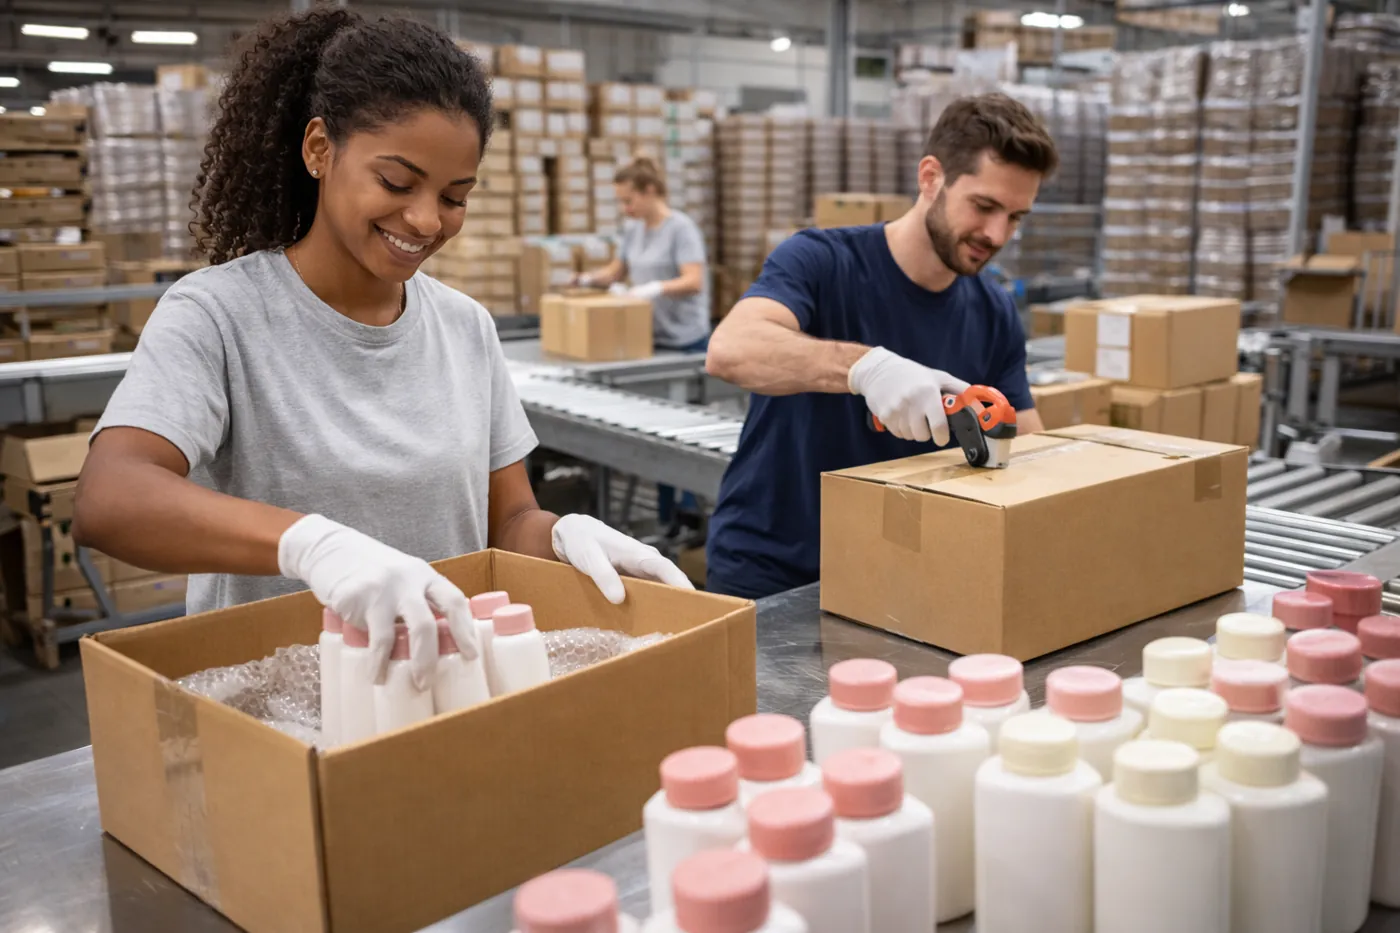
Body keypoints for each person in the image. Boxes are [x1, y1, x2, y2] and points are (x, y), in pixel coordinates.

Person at [70, 7, 690, 690]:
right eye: (397, 182)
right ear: (319, 150)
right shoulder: (218, 315)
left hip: (442, 694)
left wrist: (564, 536)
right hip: (279, 716)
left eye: (455, 196)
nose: (426, 219)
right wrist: (311, 544)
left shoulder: (465, 328)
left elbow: (507, 519)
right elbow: (111, 498)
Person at [703, 93, 1055, 600]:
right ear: (931, 177)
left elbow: (1024, 442)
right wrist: (866, 367)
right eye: (984, 206)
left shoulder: (993, 310)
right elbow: (731, 348)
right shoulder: (822, 261)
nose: (998, 234)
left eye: (1016, 217)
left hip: (901, 574)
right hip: (775, 573)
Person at [575, 155, 712, 353]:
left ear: (650, 191)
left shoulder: (681, 229)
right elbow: (616, 272)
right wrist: (585, 279)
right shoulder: (633, 230)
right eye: (620, 202)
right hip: (650, 337)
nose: (625, 209)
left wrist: (655, 288)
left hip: (685, 341)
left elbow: (693, 281)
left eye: (629, 201)